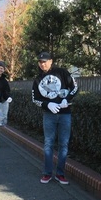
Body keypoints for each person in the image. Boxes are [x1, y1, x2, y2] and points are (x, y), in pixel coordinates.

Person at [32, 52, 78, 185]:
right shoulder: (38, 79)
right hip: (49, 115)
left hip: (65, 113)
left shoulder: (62, 72)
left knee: (64, 144)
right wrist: (48, 104)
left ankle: (60, 174)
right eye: (40, 62)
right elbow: (35, 98)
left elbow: (74, 87)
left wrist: (66, 99)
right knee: (48, 144)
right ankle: (47, 173)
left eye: (45, 61)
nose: (42, 64)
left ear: (51, 61)